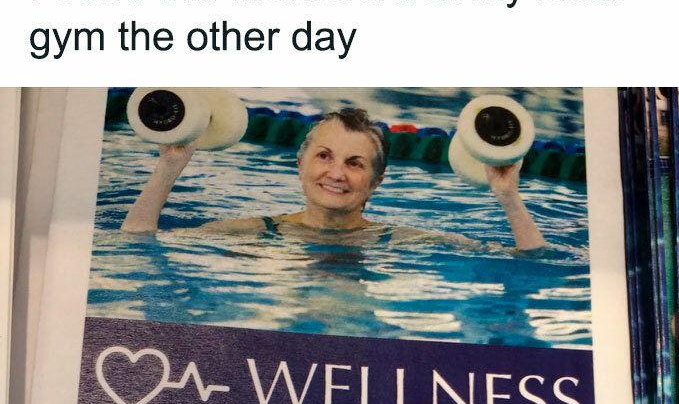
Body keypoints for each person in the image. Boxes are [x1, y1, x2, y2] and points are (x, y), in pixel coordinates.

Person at [121, 107, 546, 251]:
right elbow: (136, 242)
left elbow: (532, 264)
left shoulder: (399, 241)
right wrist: (169, 168)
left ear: (376, 182)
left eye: (355, 163)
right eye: (324, 156)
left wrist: (508, 196)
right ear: (300, 164)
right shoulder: (257, 232)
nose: (336, 173)